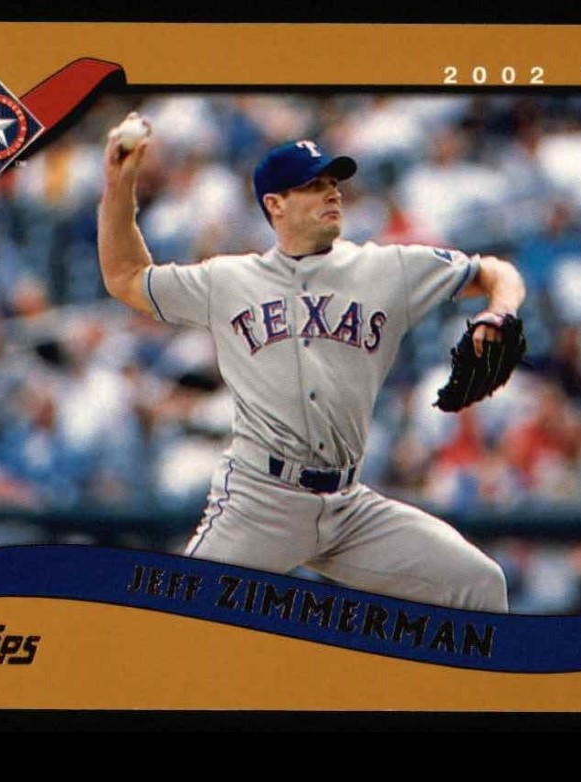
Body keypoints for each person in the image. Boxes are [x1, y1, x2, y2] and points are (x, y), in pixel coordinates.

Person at [97, 113, 526, 613]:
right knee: (180, 624)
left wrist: (501, 310)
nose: (332, 193)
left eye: (333, 183)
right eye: (313, 185)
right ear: (274, 205)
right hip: (260, 500)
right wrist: (119, 186)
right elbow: (126, 276)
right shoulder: (227, 280)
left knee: (479, 583)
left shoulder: (387, 268)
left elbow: (496, 271)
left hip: (348, 507)